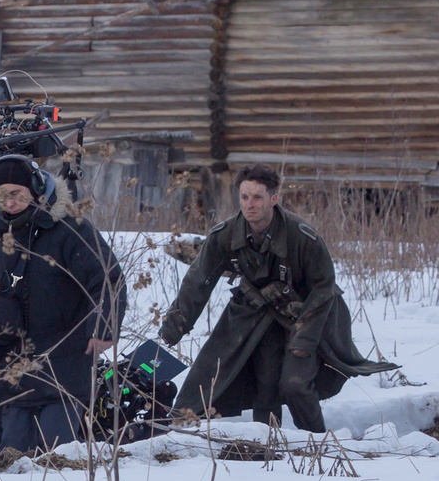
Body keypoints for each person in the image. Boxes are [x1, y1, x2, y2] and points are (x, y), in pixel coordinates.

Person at [159, 164, 391, 433]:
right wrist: (173, 328)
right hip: (254, 314)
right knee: (217, 380)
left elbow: (324, 287)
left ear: (274, 199)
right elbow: (198, 282)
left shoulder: (302, 236)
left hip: (306, 316)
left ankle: (317, 443)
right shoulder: (225, 235)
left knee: (295, 385)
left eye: (257, 197)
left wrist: (304, 338)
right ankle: (262, 443)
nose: (250, 205)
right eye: (244, 197)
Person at [0, 155, 124, 449]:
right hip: (15, 365)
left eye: (16, 194)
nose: (9, 202)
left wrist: (102, 326)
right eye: (0, 195)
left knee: (57, 459)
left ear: (35, 189)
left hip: (63, 363)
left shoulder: (70, 229)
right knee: (13, 458)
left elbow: (108, 280)